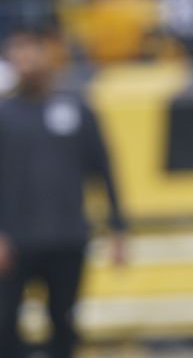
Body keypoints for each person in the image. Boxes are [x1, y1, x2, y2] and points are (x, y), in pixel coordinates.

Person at [0, 24, 126, 358]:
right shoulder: (4, 114)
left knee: (64, 322)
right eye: (17, 51)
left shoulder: (76, 109)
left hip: (67, 237)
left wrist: (118, 228)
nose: (25, 58)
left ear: (47, 53)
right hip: (14, 242)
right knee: (5, 325)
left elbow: (104, 168)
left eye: (31, 49)